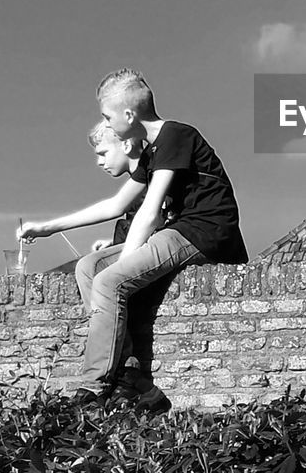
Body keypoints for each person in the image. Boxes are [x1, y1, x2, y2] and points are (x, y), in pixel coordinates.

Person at [18, 68, 248, 409]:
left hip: (204, 232)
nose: (106, 124)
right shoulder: (154, 150)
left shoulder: (175, 136)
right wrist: (49, 227)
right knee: (88, 267)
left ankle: (94, 384)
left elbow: (149, 210)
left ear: (128, 115)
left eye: (107, 116)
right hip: (178, 230)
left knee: (110, 281)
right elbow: (117, 205)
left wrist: (123, 268)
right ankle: (126, 369)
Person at [71, 122, 176, 412]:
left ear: (126, 146)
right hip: (142, 246)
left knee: (103, 280)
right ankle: (129, 370)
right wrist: (115, 245)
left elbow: (154, 220)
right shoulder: (141, 182)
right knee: (88, 267)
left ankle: (101, 381)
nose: (99, 161)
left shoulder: (156, 179)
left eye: (103, 153)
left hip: (160, 250)